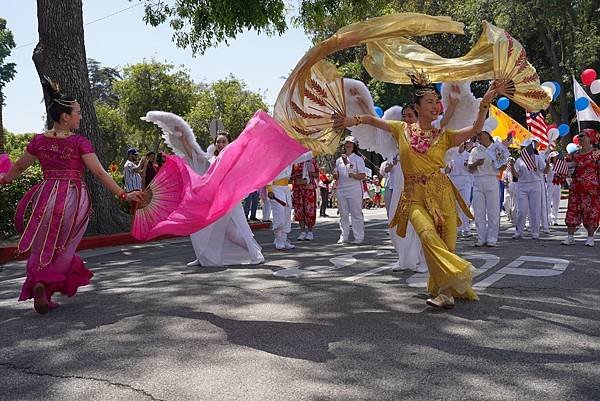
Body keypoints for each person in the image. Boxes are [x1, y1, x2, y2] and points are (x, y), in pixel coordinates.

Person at [333, 71, 501, 308]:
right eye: (430, 102)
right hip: (413, 195)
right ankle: (458, 272)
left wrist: (486, 100)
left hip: (442, 193)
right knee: (427, 235)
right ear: (417, 107)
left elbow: (475, 129)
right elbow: (372, 120)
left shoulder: (444, 135)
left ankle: (445, 293)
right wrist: (352, 121)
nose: (435, 105)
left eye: (437, 102)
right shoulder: (401, 129)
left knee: (446, 243)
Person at [0, 78, 143, 314]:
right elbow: (97, 171)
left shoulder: (38, 141)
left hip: (45, 196)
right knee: (66, 247)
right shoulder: (79, 142)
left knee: (41, 244)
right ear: (65, 116)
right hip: (74, 199)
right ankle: (46, 289)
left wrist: (5, 179)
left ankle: (38, 282)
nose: (80, 116)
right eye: (77, 112)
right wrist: (123, 194)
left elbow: (20, 166)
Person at [561, 129, 600, 246]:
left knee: (591, 212)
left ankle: (590, 238)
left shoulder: (597, 154)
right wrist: (560, 164)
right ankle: (570, 237)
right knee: (572, 211)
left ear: (590, 138)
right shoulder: (574, 154)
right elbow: (567, 165)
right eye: (579, 136)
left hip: (592, 190)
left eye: (583, 136)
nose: (580, 137)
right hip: (576, 188)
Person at [267, 152, 313, 250]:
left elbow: (304, 156)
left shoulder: (290, 157)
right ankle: (278, 240)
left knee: (287, 214)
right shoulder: (273, 157)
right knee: (279, 214)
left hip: (286, 189)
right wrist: (269, 189)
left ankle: (284, 239)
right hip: (275, 188)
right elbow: (268, 173)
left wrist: (317, 147)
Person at [468, 130, 502, 247]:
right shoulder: (475, 150)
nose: (478, 137)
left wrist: (496, 161)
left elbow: (502, 166)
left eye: (480, 134)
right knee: (479, 212)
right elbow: (469, 168)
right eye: (477, 135)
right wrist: (476, 163)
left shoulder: (497, 148)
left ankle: (492, 238)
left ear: (488, 135)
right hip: (478, 180)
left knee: (493, 212)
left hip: (492, 179)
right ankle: (481, 238)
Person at [510, 139, 550, 240]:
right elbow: (516, 175)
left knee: (535, 210)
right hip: (522, 186)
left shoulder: (537, 158)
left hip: (535, 185)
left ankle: (535, 233)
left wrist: (548, 164)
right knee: (522, 210)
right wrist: (512, 166)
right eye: (522, 148)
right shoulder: (519, 160)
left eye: (525, 148)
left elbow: (545, 171)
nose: (523, 150)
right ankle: (519, 232)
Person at [333, 136, 367, 245]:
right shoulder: (339, 160)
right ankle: (344, 236)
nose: (348, 145)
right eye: (347, 143)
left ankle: (359, 237)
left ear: (354, 146)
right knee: (343, 214)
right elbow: (336, 176)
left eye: (351, 143)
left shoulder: (358, 159)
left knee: (356, 213)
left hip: (354, 189)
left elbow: (363, 175)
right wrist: (335, 175)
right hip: (341, 190)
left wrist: (354, 175)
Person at [448, 141, 474, 238]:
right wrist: (447, 166)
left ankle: (466, 228)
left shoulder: (469, 155)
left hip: (465, 181)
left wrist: (469, 165)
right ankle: (457, 228)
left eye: (462, 144)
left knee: (465, 203)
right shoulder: (451, 155)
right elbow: (447, 170)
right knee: (455, 205)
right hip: (453, 180)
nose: (460, 146)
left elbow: (472, 170)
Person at [291, 157, 319, 240]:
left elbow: (317, 174)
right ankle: (302, 232)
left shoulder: (312, 161)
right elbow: (291, 175)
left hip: (309, 189)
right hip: (298, 189)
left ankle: (310, 232)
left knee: (309, 210)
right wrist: (297, 178)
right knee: (299, 210)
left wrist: (309, 173)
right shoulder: (295, 161)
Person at [545, 152, 562, 226]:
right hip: (550, 184)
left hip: (557, 184)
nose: (555, 158)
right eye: (554, 157)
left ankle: (555, 219)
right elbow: (546, 172)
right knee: (548, 202)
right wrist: (547, 163)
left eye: (556, 157)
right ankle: (548, 218)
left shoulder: (559, 165)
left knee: (556, 202)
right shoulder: (549, 165)